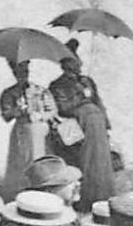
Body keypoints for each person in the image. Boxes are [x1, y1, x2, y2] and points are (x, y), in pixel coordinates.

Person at [48, 54, 114, 210]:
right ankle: (87, 199)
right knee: (87, 159)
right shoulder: (58, 85)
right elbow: (62, 108)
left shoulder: (87, 81)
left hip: (97, 124)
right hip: (81, 125)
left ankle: (104, 196)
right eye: (75, 62)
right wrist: (81, 98)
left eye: (79, 61)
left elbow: (98, 102)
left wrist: (106, 124)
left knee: (102, 161)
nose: (80, 64)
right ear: (66, 65)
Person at [0, 61, 58, 198]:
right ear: (14, 74)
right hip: (22, 131)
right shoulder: (9, 93)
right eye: (18, 73)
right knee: (21, 162)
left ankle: (39, 190)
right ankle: (20, 193)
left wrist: (41, 116)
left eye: (25, 72)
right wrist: (18, 110)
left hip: (40, 132)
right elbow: (6, 115)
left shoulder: (40, 90)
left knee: (40, 161)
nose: (22, 76)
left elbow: (52, 110)